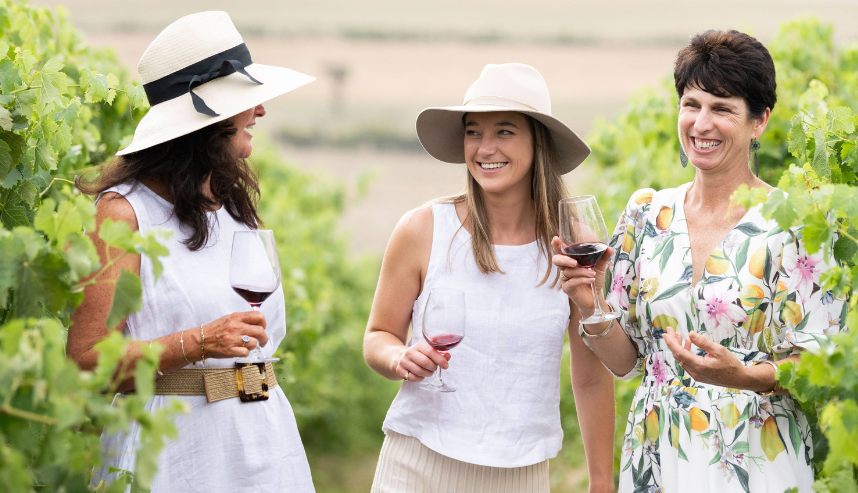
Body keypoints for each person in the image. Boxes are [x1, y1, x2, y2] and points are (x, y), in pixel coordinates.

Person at [554, 30, 847, 492]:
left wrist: (747, 377)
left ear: (759, 121)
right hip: (657, 451)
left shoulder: (797, 222)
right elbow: (629, 362)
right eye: (692, 104)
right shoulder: (646, 213)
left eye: (723, 108)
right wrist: (591, 306)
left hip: (756, 454)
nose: (702, 123)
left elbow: (823, 362)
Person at [66, 11, 317, 491]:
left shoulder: (233, 202)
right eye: (246, 102)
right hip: (171, 450)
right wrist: (199, 342)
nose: (260, 111)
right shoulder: (124, 215)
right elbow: (85, 361)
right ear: (208, 122)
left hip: (262, 443)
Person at [362, 63, 617, 493]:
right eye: (473, 131)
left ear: (538, 142)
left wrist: (600, 480)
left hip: (522, 473)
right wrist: (397, 358)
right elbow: (379, 335)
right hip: (418, 464)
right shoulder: (423, 229)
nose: (484, 148)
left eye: (504, 131)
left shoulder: (573, 245)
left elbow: (591, 373)